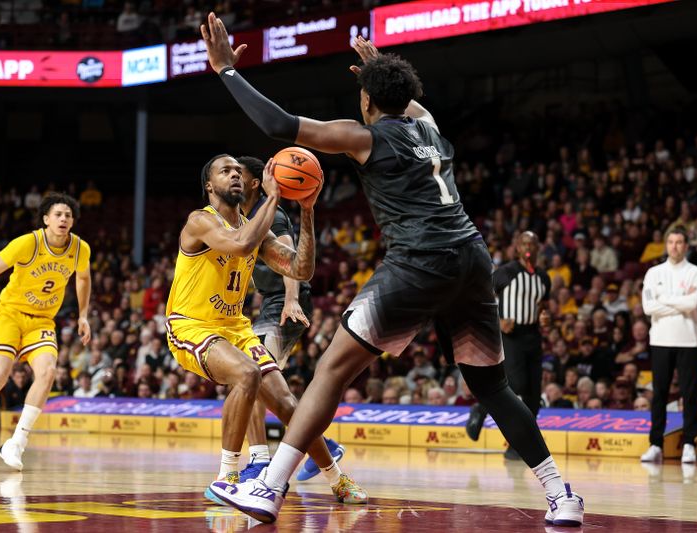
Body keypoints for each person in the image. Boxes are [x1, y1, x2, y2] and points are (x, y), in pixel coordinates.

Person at [201, 15, 583, 526]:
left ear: (366, 101)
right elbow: (403, 96)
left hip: (420, 261)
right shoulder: (429, 127)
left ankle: (269, 487)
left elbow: (279, 125)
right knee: (493, 388)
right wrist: (379, 68)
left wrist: (226, 70)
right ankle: (561, 497)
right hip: (471, 258)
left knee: (332, 371)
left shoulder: (365, 138)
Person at [165, 154, 366, 506]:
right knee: (247, 374)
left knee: (289, 403)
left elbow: (301, 269)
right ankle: (226, 476)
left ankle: (337, 479)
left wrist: (307, 210)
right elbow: (240, 243)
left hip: (235, 327)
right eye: (225, 172)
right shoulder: (200, 221)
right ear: (210, 186)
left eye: (238, 171)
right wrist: (274, 197)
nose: (235, 175)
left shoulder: (257, 226)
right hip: (191, 325)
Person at [0, 193, 92, 471]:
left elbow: (83, 278)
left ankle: (16, 443)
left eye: (68, 215)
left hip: (43, 321)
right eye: (58, 214)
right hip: (10, 314)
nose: (63, 219)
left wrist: (83, 315)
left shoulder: (80, 249)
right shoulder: (28, 243)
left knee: (47, 373)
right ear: (46, 219)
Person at [237, 156, 345, 483]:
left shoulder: (272, 215)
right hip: (271, 303)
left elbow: (290, 257)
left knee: (251, 374)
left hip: (288, 303)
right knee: (263, 384)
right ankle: (323, 445)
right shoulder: (245, 218)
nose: (235, 181)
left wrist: (291, 299)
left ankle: (258, 460)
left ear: (256, 182)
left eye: (239, 175)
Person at [465, 231, 551, 460]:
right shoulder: (506, 272)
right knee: (516, 383)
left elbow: (543, 307)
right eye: (524, 243)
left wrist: (546, 317)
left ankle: (516, 447)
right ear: (517, 247)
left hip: (533, 335)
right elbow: (480, 296)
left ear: (538, 247)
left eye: (532, 242)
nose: (528, 246)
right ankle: (481, 408)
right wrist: (498, 321)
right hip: (510, 335)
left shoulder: (544, 277)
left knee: (533, 397)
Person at [640, 228, 697, 464]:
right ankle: (655, 444)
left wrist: (663, 299)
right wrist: (680, 301)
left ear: (686, 246)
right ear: (666, 245)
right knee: (659, 394)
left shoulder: (696, 273)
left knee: (689, 394)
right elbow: (648, 308)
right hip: (660, 339)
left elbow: (693, 303)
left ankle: (689, 443)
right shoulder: (653, 272)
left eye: (679, 242)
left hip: (688, 340)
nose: (674, 246)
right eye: (670, 242)